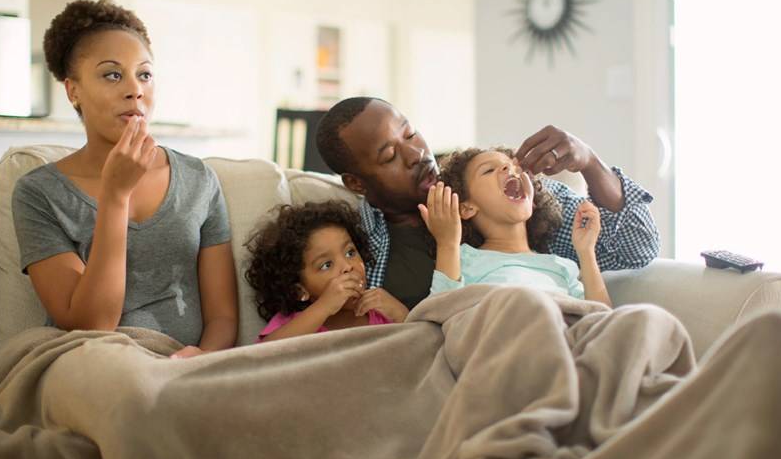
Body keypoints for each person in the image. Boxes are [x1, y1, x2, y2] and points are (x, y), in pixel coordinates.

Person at [11, 0, 238, 358]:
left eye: (144, 74)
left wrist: (201, 359)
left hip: (186, 367)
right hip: (94, 359)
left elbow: (223, 316)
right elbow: (91, 324)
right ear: (74, 91)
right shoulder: (38, 193)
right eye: (112, 74)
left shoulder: (198, 179)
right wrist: (115, 196)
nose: (136, 89)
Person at [315, 97, 659, 309]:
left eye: (410, 134)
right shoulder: (353, 245)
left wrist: (589, 163)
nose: (417, 154)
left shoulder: (497, 193)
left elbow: (638, 247)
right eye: (390, 155)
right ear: (356, 183)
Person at [422, 147, 611, 305]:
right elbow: (442, 310)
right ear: (466, 208)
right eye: (488, 170)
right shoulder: (464, 258)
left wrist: (586, 252)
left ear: (533, 200)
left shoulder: (561, 265)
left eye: (515, 168)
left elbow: (601, 320)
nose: (508, 167)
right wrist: (447, 244)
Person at [245, 201, 407, 343]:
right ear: (299, 290)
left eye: (350, 253)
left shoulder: (380, 314)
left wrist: (402, 316)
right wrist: (324, 307)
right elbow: (263, 357)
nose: (347, 266)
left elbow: (420, 354)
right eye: (326, 265)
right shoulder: (296, 325)